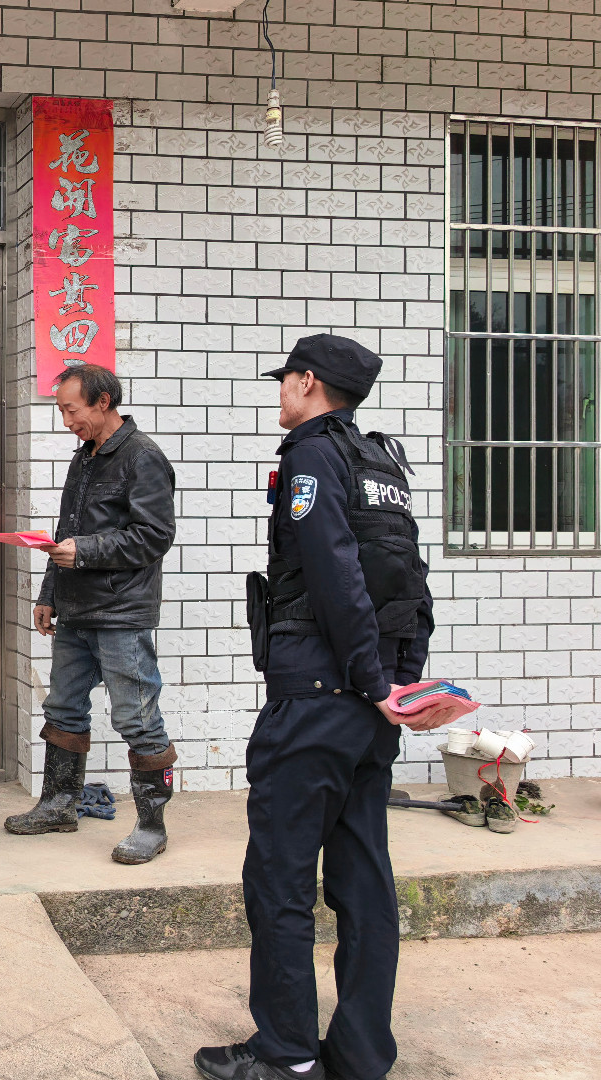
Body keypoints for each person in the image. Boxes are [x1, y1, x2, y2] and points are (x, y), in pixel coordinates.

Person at [195, 334, 460, 1080]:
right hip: (371, 714)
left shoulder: (313, 454)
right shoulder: (382, 462)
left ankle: (285, 1056)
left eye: (285, 379)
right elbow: (411, 579)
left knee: (280, 881)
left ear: (308, 382)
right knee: (364, 883)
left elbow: (335, 572)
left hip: (316, 702)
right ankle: (361, 1056)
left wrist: (374, 683)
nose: (280, 392)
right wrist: (399, 686)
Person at [7, 363, 179, 865]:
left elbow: (154, 536)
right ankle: (58, 805)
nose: (67, 422)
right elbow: (67, 532)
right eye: (62, 411)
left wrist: (83, 551)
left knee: (137, 718)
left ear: (103, 402)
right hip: (76, 612)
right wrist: (49, 594)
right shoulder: (85, 457)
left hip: (121, 614)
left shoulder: (142, 457)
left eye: (71, 410)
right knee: (62, 709)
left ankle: (151, 826)